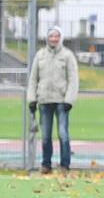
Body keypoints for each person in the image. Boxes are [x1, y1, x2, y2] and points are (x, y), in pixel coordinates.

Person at [26, 26, 79, 174]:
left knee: (63, 134)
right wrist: (32, 99)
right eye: (51, 36)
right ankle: (46, 165)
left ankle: (64, 165)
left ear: (60, 38)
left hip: (61, 101)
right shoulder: (40, 55)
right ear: (47, 38)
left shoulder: (67, 56)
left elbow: (73, 79)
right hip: (44, 101)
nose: (54, 39)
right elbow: (33, 79)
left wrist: (69, 100)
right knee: (45, 136)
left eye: (56, 36)